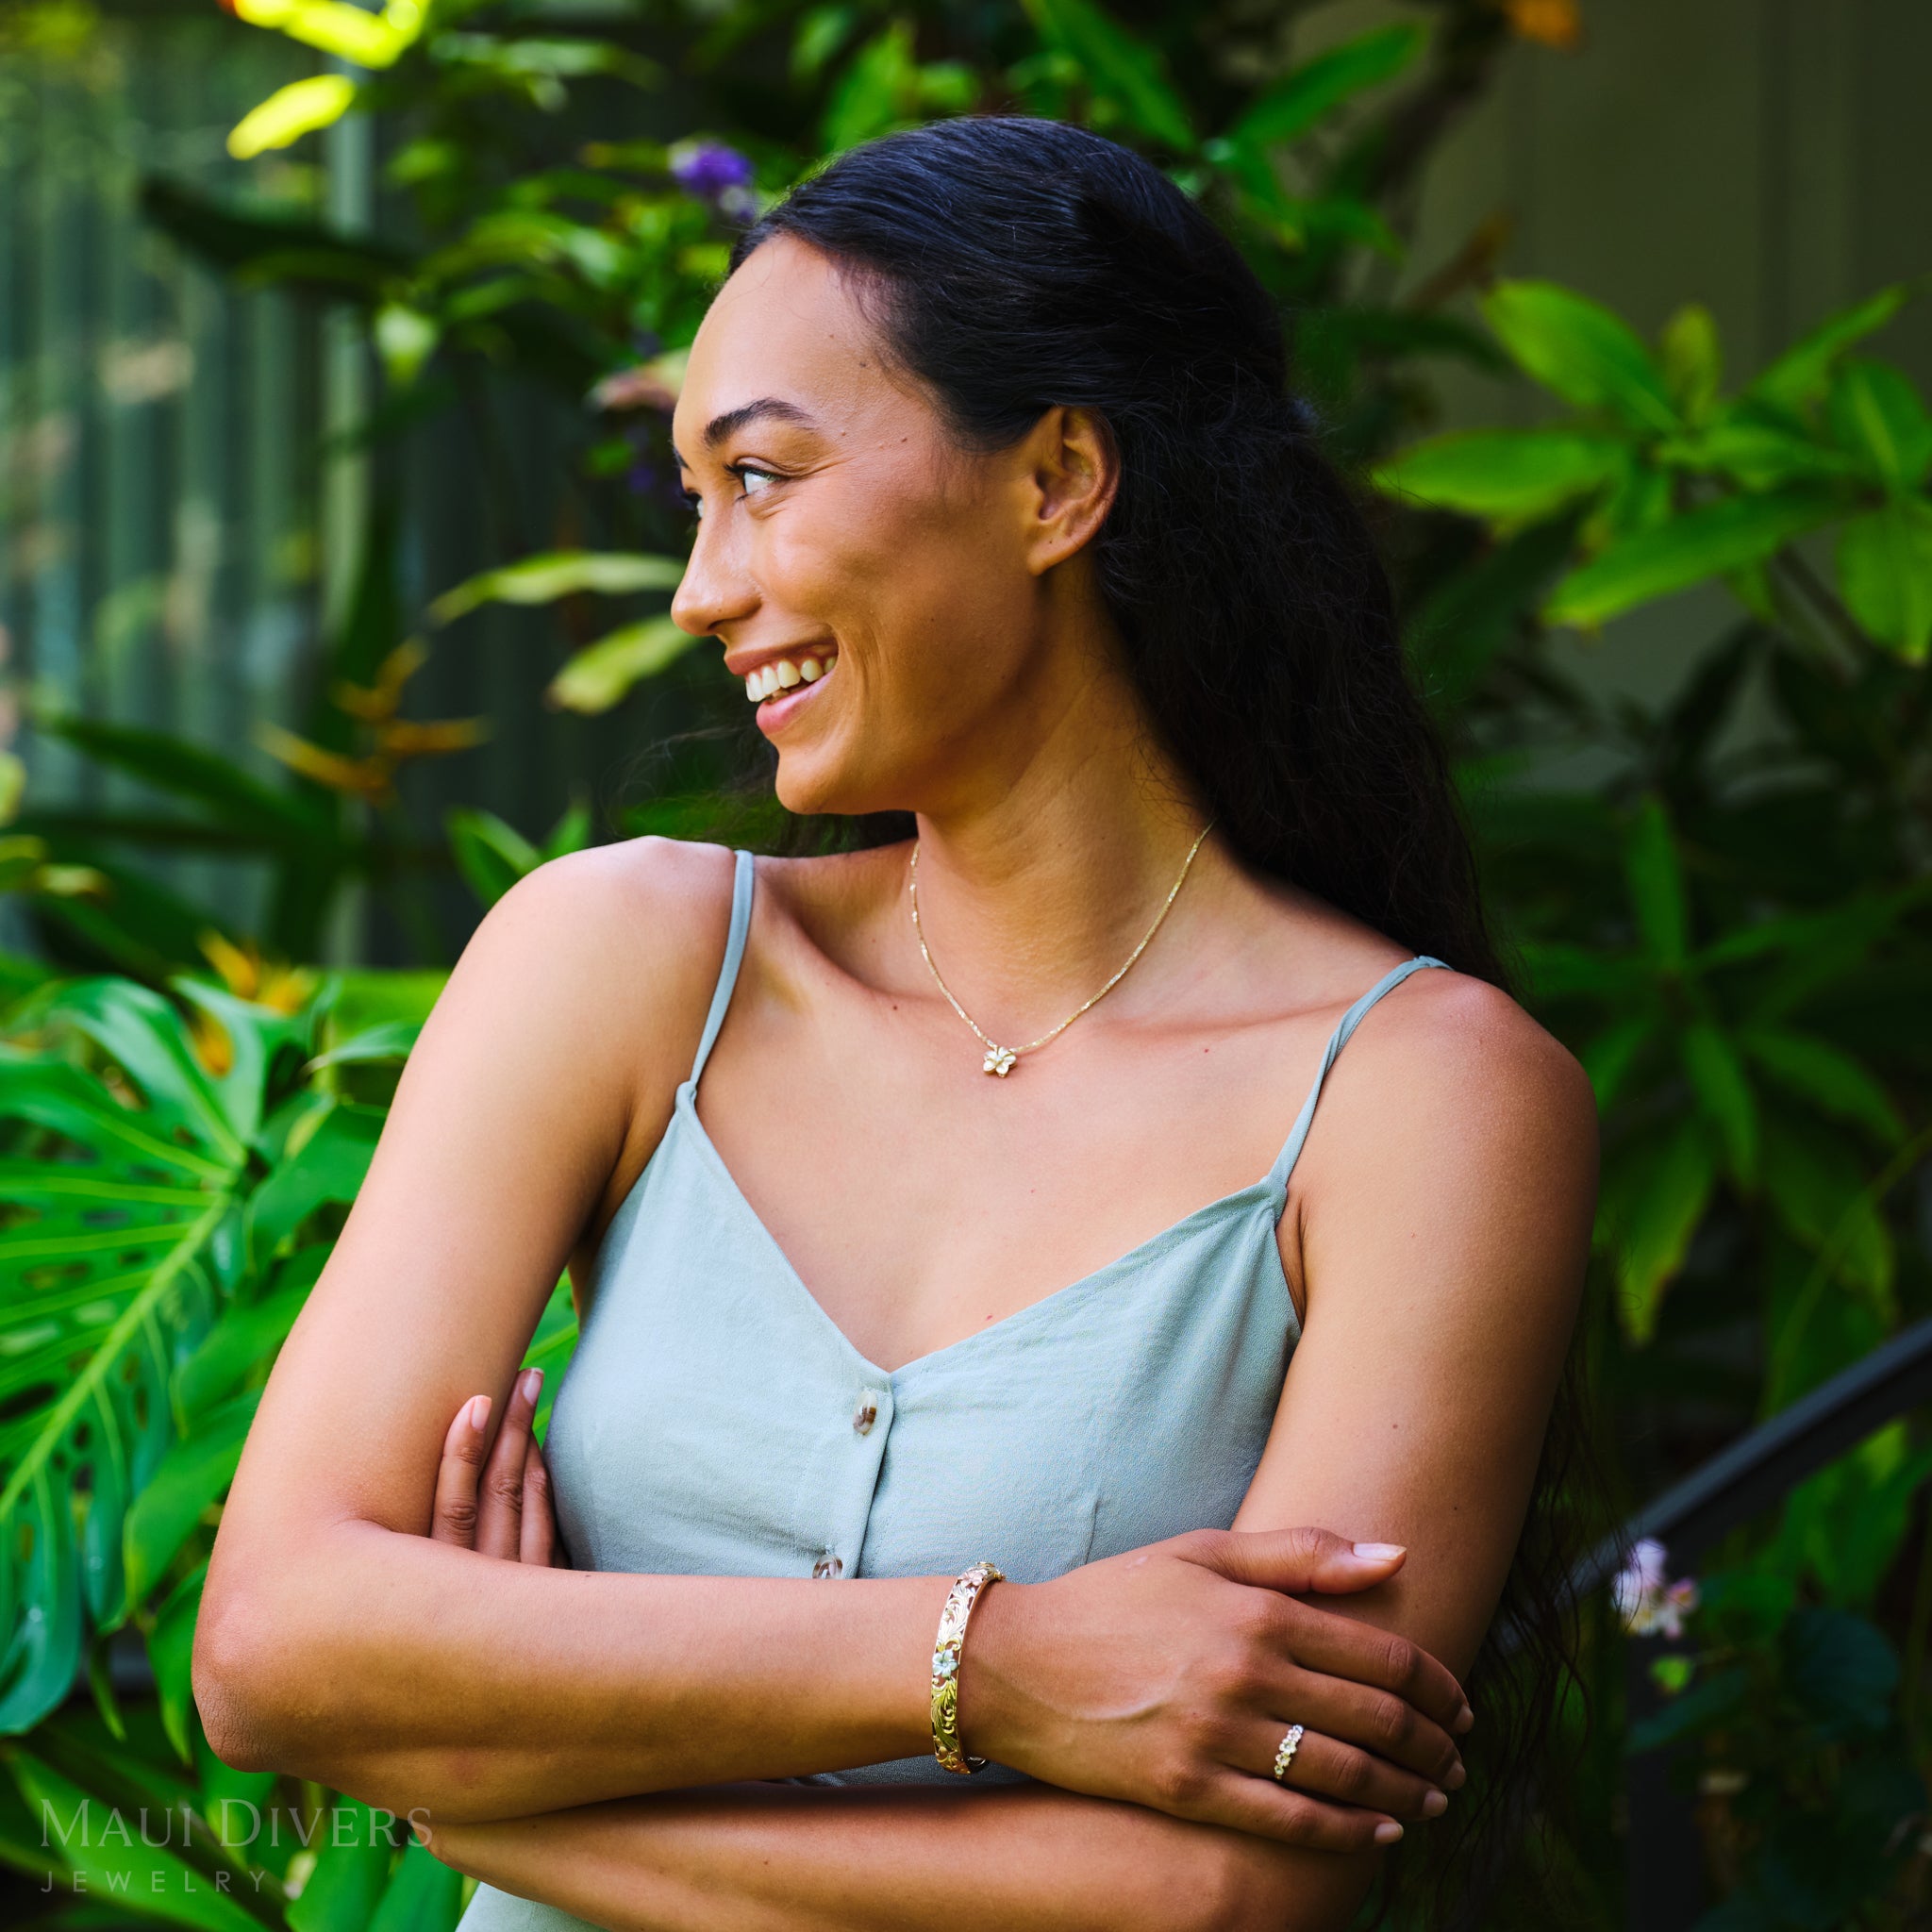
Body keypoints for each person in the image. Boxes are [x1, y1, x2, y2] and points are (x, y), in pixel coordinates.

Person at [194, 116, 1597, 1931]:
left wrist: (504, 1788)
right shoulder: (621, 961)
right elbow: (279, 1643)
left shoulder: (1424, 1103)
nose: (704, 588)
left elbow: (1222, 1897)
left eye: (761, 478)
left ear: (1056, 479)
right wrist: (997, 1666)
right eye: (692, 499)